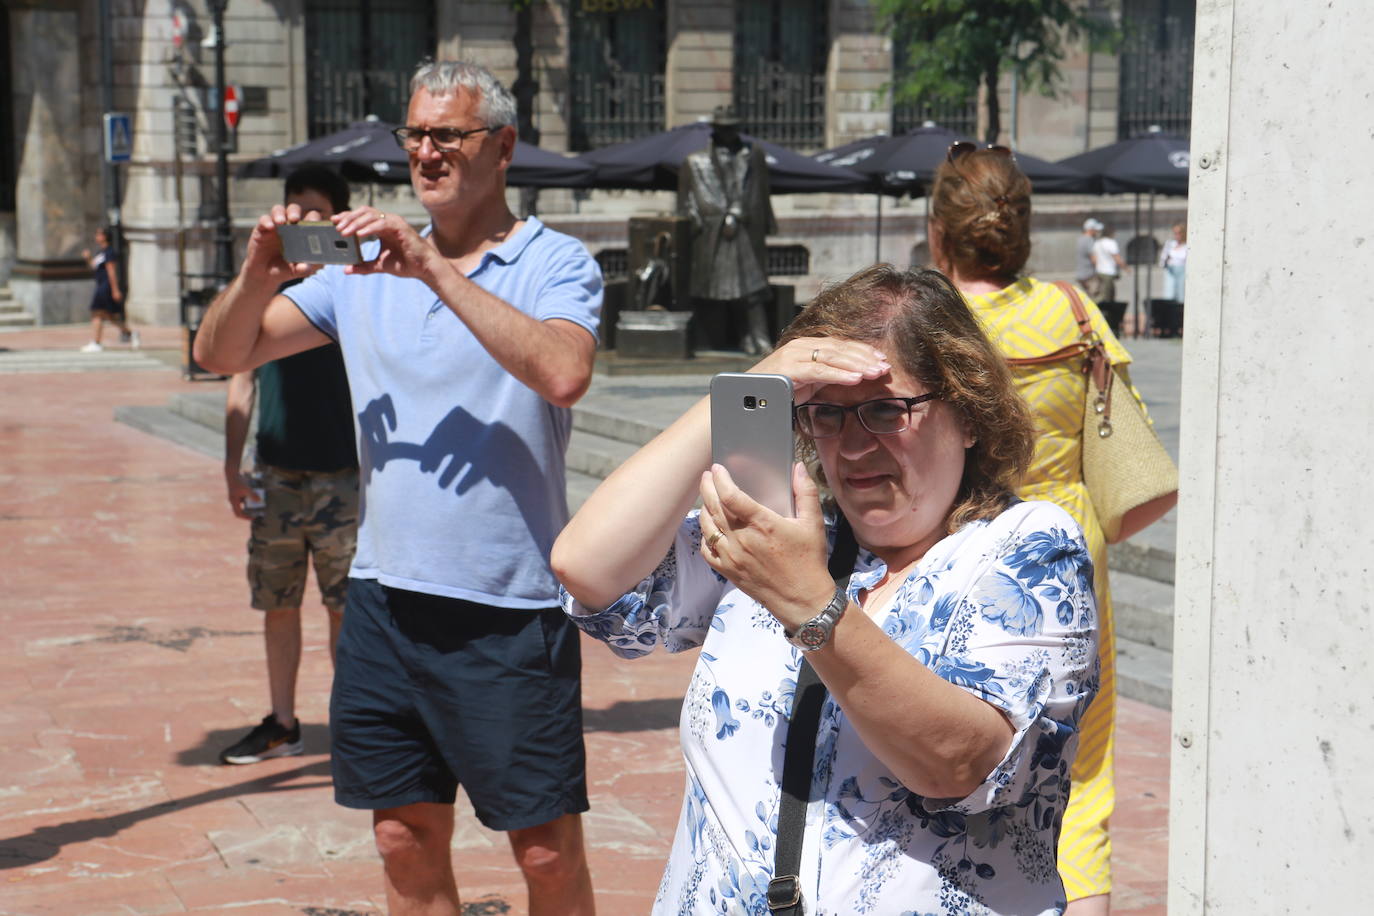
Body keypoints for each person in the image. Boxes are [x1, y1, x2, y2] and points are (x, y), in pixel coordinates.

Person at [553, 265, 1100, 914]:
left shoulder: (1029, 547)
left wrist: (809, 603)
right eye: (826, 415)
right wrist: (754, 385)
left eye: (883, 409)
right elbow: (587, 566)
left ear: (969, 412)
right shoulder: (783, 535)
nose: (853, 444)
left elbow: (958, 761)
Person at [193, 60, 600, 915]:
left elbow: (563, 373)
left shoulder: (553, 262)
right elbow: (221, 354)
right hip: (383, 599)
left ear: (503, 147)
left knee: (545, 853)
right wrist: (260, 268)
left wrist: (431, 269)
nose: (425, 151)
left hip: (507, 607)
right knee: (401, 837)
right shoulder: (352, 273)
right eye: (413, 133)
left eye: (446, 134)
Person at [927, 142, 1177, 915]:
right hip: (1067, 543)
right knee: (1084, 764)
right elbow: (1132, 458)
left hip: (956, 541)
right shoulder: (1072, 310)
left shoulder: (926, 318)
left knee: (948, 748)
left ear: (940, 233)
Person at [219, 165, 359, 766]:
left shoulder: (356, 283)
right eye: (294, 211)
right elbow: (239, 380)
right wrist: (232, 465)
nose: (302, 223)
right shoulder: (264, 285)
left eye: (315, 213)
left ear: (337, 219)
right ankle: (282, 722)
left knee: (344, 609)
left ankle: (352, 725)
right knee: (277, 602)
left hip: (341, 477)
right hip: (276, 475)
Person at [678, 104, 776, 355]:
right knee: (717, 290)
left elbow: (760, 192)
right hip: (712, 234)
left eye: (732, 128)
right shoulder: (695, 162)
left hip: (744, 229)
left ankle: (758, 338)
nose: (729, 134)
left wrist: (746, 217)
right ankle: (715, 340)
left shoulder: (752, 154)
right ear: (715, 130)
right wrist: (702, 222)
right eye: (724, 129)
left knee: (751, 287)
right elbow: (685, 201)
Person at [80, 227, 139, 352]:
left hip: (105, 287)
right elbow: (94, 266)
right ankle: (130, 333)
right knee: (109, 315)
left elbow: (111, 271)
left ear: (105, 236)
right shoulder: (100, 252)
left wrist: (115, 290)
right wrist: (88, 258)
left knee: (96, 312)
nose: (97, 237)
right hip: (101, 284)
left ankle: (96, 342)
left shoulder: (109, 252)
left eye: (99, 234)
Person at [1089, 224, 1127, 305]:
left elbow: (1093, 259)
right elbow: (1117, 258)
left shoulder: (1097, 243)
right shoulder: (1111, 243)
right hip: (1108, 272)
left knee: (1105, 293)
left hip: (1099, 271)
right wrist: (1125, 268)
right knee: (1107, 296)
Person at [1159, 221, 1187, 302]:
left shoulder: (1187, 246)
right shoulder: (1170, 244)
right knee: (1169, 293)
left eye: (1179, 233)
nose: (1177, 235)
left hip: (1182, 271)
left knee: (1181, 293)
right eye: (1175, 233)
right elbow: (1163, 259)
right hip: (1170, 271)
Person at [1077, 218, 1104, 300]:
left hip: (1082, 275)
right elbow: (1093, 258)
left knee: (1089, 299)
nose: (1097, 232)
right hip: (1090, 276)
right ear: (1091, 229)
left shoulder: (1080, 239)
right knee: (1096, 299)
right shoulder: (1089, 240)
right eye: (1096, 230)